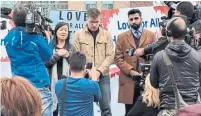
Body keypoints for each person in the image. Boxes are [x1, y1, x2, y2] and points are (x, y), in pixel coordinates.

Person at [3, 6, 53, 116]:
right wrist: (50, 39)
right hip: (38, 83)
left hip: (19, 85)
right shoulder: (35, 38)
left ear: (13, 20)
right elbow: (48, 56)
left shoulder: (8, 38)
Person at [150, 17, 201, 116]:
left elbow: (154, 83)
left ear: (168, 34)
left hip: (168, 110)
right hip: (193, 111)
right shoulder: (197, 56)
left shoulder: (159, 57)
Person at [73, 8, 114, 116]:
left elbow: (110, 56)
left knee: (106, 109)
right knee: (82, 108)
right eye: (92, 21)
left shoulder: (107, 35)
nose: (94, 24)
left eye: (96, 22)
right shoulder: (78, 35)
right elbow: (75, 55)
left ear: (100, 21)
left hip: (103, 76)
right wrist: (86, 70)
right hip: (84, 76)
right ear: (87, 20)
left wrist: (99, 71)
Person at [114, 9, 155, 115]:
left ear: (141, 19)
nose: (133, 21)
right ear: (128, 21)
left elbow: (155, 56)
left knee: (146, 110)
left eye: (136, 18)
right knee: (129, 112)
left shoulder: (151, 35)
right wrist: (131, 71)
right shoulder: (121, 37)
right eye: (131, 19)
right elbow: (118, 58)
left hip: (147, 80)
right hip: (128, 80)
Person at [55, 51, 101, 116]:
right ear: (84, 67)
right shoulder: (92, 85)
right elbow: (97, 98)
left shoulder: (58, 84)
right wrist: (93, 78)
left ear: (69, 66)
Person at [45, 22, 71, 116]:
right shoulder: (50, 46)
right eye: (61, 29)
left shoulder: (71, 47)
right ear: (56, 32)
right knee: (54, 108)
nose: (64, 32)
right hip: (52, 82)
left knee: (66, 108)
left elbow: (76, 65)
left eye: (66, 30)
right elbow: (46, 63)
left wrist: (68, 55)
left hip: (67, 82)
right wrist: (57, 55)